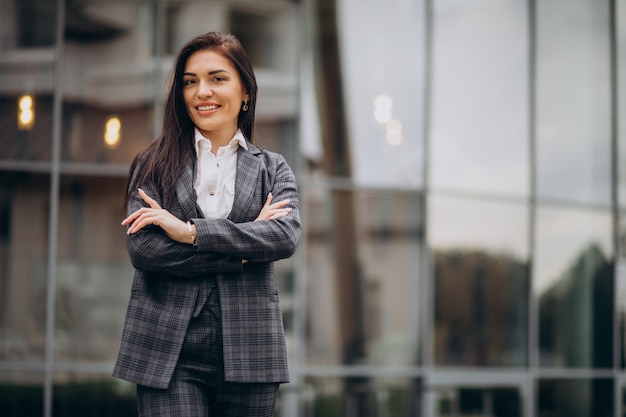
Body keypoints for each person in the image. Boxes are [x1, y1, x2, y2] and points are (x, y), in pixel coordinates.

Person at [112, 31, 301, 417]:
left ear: (245, 91)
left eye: (217, 78)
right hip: (167, 350)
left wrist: (190, 233)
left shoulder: (272, 168)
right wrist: (244, 252)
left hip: (250, 349)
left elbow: (283, 236)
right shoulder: (152, 163)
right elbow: (145, 250)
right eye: (190, 81)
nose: (202, 92)